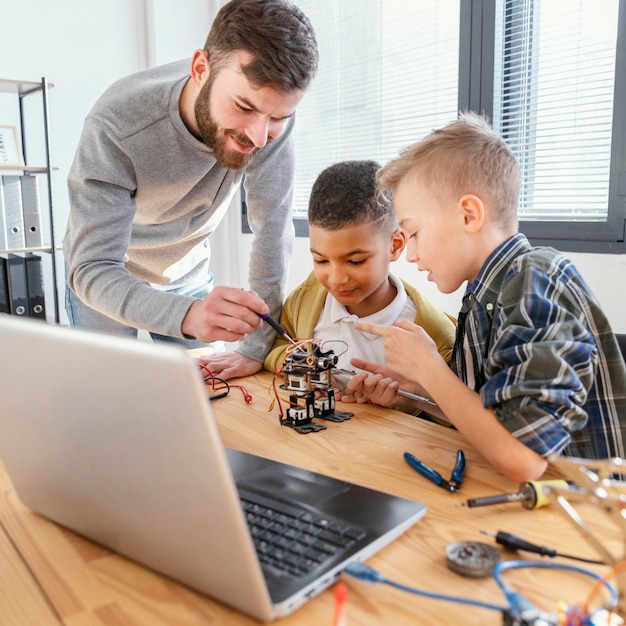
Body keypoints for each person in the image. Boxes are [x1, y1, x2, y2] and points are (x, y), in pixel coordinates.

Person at [343, 112, 626, 483]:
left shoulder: (535, 280)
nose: (410, 255)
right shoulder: (482, 295)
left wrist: (430, 367)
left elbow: (523, 457)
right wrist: (417, 392)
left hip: (587, 520)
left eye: (412, 234)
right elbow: (491, 421)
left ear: (469, 215)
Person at [63, 0, 318, 379]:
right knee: (110, 401)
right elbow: (93, 266)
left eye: (278, 117)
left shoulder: (267, 120)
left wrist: (256, 344)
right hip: (109, 280)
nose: (259, 136)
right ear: (201, 69)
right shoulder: (117, 124)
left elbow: (272, 228)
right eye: (243, 107)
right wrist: (187, 316)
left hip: (188, 275)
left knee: (209, 402)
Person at [263, 159, 456, 417]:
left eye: (355, 261)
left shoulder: (436, 337)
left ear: (395, 246)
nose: (336, 279)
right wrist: (299, 366)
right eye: (320, 260)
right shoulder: (306, 298)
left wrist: (407, 401)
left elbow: (452, 421)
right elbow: (275, 346)